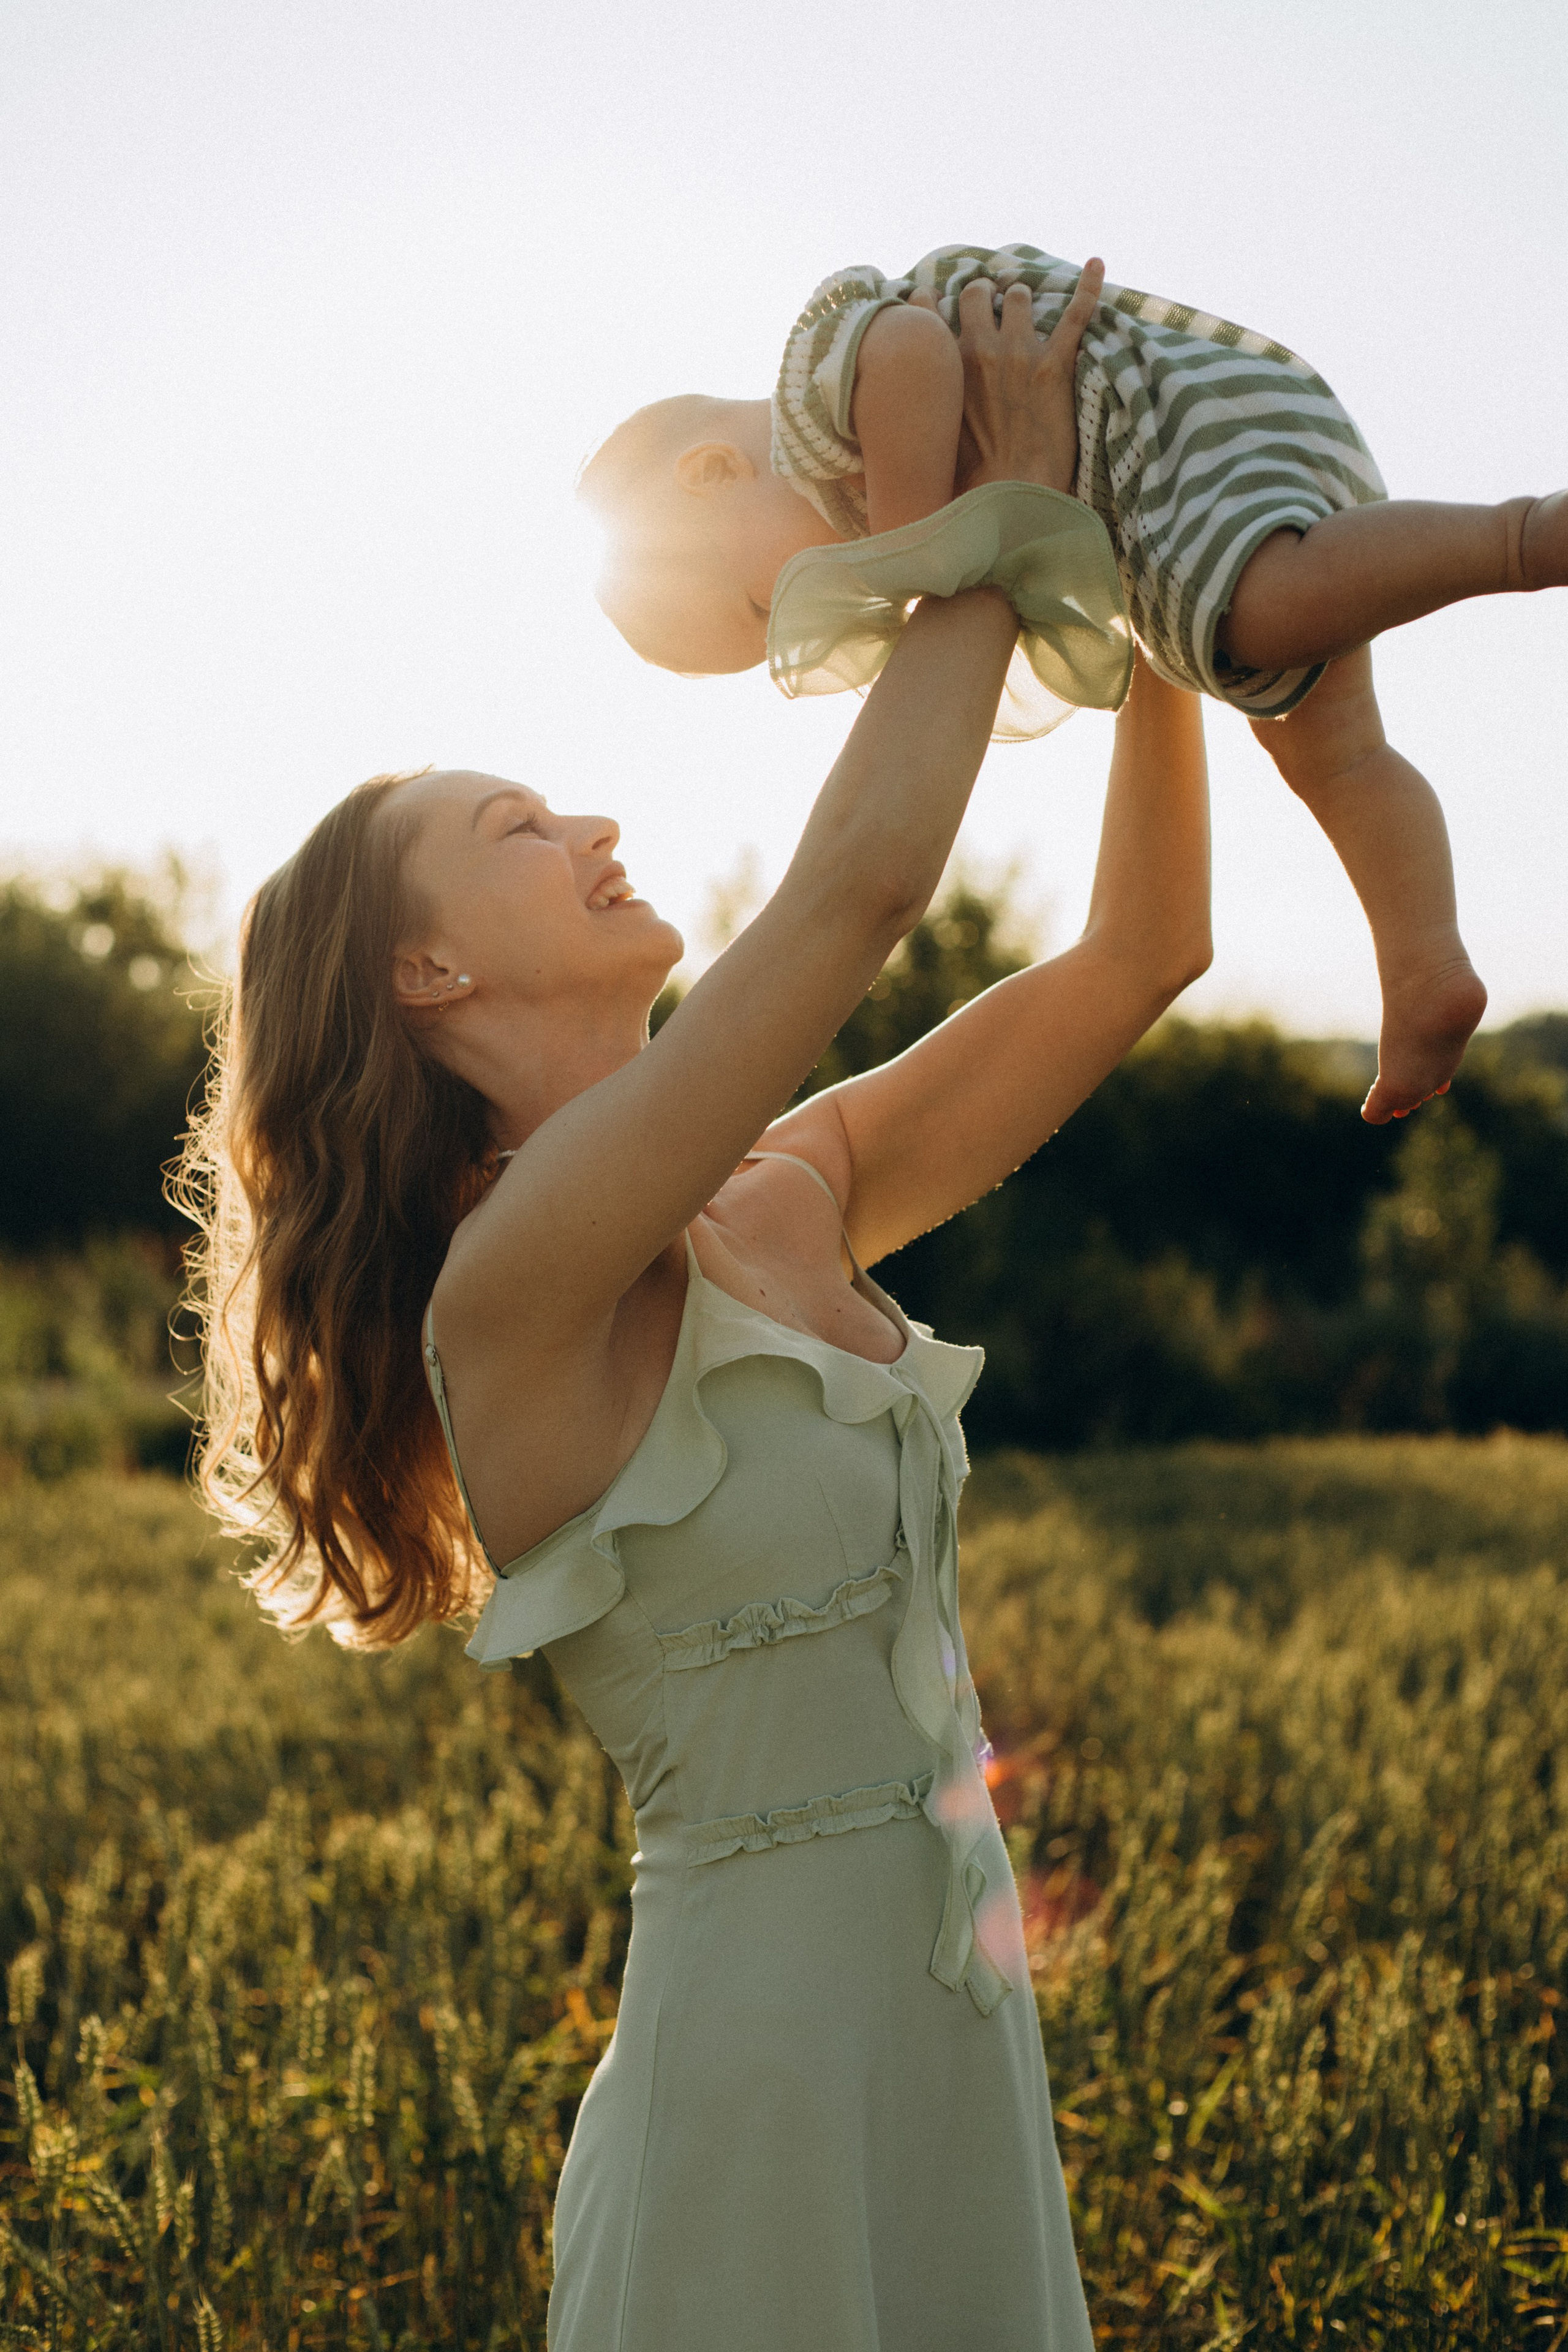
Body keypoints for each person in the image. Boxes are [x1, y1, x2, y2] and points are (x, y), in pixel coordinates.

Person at [184, 290, 1212, 2349]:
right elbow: (851, 898)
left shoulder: (793, 1180)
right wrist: (995, 515)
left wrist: (1161, 591)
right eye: (521, 834)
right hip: (753, 2084)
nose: (596, 830)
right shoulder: (514, 1284)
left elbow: (1144, 951)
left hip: (950, 2042)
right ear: (425, 983)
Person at [581, 240, 1568, 1128]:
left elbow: (917, 353)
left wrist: (917, 546)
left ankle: (1521, 536)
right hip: (1187, 485)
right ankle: (1423, 961)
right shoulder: (835, 475)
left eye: (762, 610)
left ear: (711, 473)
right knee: (1336, 755)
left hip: (1169, 425)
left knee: (1260, 613)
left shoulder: (814, 387)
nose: (807, 614)